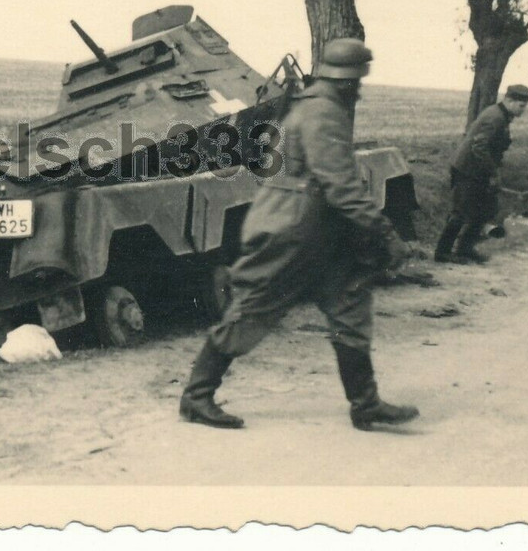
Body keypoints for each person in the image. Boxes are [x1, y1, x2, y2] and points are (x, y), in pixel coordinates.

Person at [179, 38, 418, 431]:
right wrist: (385, 233)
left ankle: (366, 403)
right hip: (291, 230)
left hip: (317, 230)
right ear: (347, 80)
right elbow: (341, 185)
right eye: (358, 81)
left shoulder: (314, 104)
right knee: (253, 309)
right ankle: (196, 397)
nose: (360, 89)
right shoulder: (324, 112)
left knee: (349, 304)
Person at [434, 84, 528, 264]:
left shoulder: (502, 116)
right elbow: (479, 147)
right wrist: (493, 173)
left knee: (484, 210)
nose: (523, 110)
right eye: (521, 106)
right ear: (509, 100)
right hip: (467, 169)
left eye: (524, 106)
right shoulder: (495, 117)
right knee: (461, 211)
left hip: (479, 170)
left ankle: (465, 249)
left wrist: (491, 172)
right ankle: (442, 252)